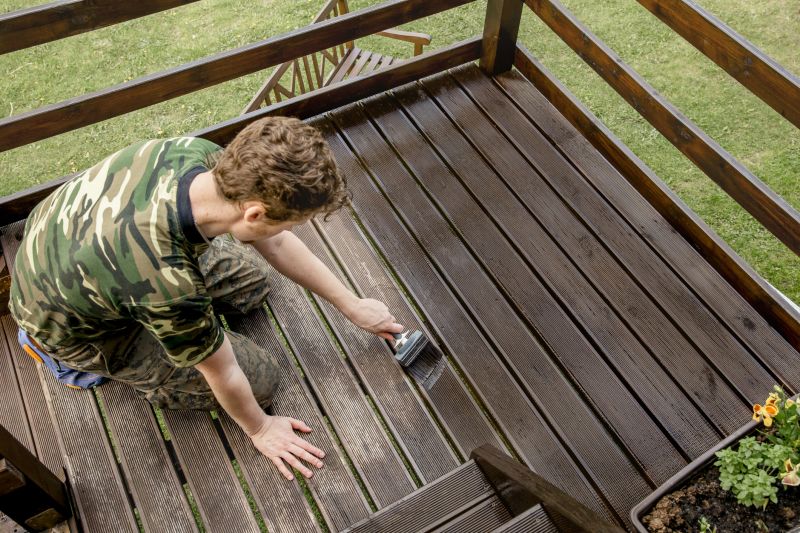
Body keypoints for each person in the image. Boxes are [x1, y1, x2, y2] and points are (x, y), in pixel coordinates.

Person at [9, 116, 404, 481]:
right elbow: (222, 373)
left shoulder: (200, 155)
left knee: (250, 285)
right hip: (74, 325)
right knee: (259, 379)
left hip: (77, 240)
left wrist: (352, 305)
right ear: (253, 213)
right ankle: (55, 355)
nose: (294, 229)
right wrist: (261, 428)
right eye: (294, 220)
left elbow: (277, 242)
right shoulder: (168, 283)